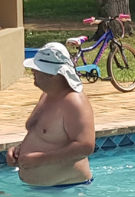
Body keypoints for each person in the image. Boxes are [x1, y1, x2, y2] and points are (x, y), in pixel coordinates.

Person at [6, 43, 95, 187]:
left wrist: (40, 160)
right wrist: (19, 150)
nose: (32, 71)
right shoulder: (47, 95)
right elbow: (44, 136)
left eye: (37, 69)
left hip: (67, 191)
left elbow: (85, 146)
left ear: (53, 74)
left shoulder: (73, 101)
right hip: (42, 191)